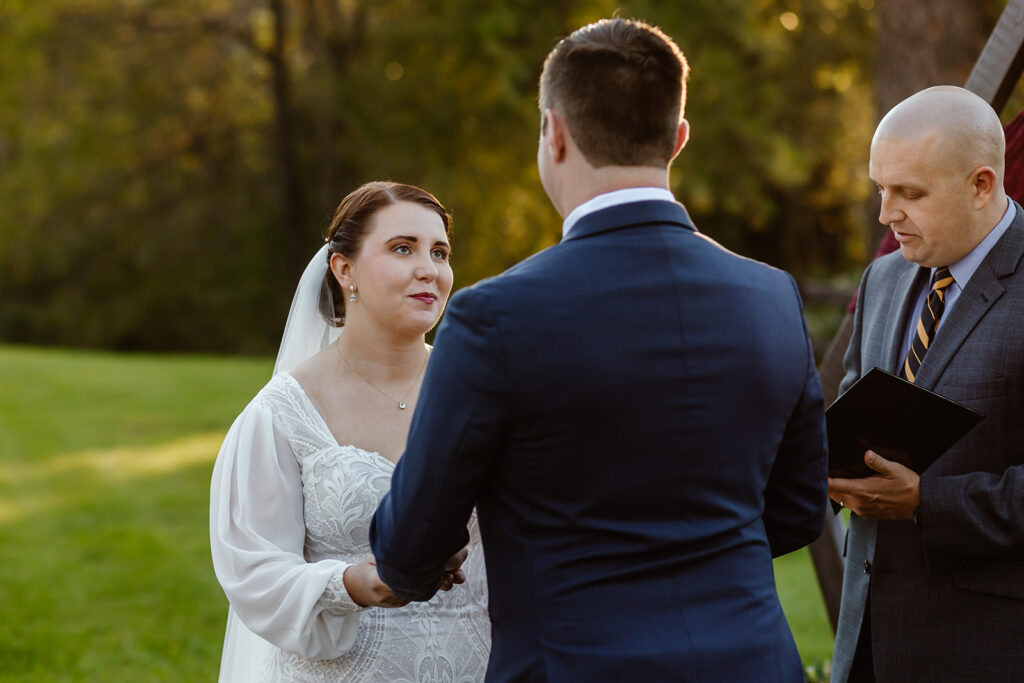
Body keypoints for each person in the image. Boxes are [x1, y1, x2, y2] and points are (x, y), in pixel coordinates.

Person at [370, 18, 828, 681]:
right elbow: (795, 511)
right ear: (678, 138)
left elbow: (408, 548)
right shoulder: (771, 298)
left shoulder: (495, 315)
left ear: (553, 133)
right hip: (751, 661)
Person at [209, 182, 490, 682]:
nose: (430, 269)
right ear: (344, 270)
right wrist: (357, 583)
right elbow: (252, 571)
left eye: (440, 252)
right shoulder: (282, 413)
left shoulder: (484, 392)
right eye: (403, 248)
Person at [828, 86, 1024, 682]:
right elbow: (850, 408)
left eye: (910, 193)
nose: (887, 214)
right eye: (881, 189)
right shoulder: (885, 277)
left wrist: (926, 504)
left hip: (987, 649)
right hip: (865, 639)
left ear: (982, 184)